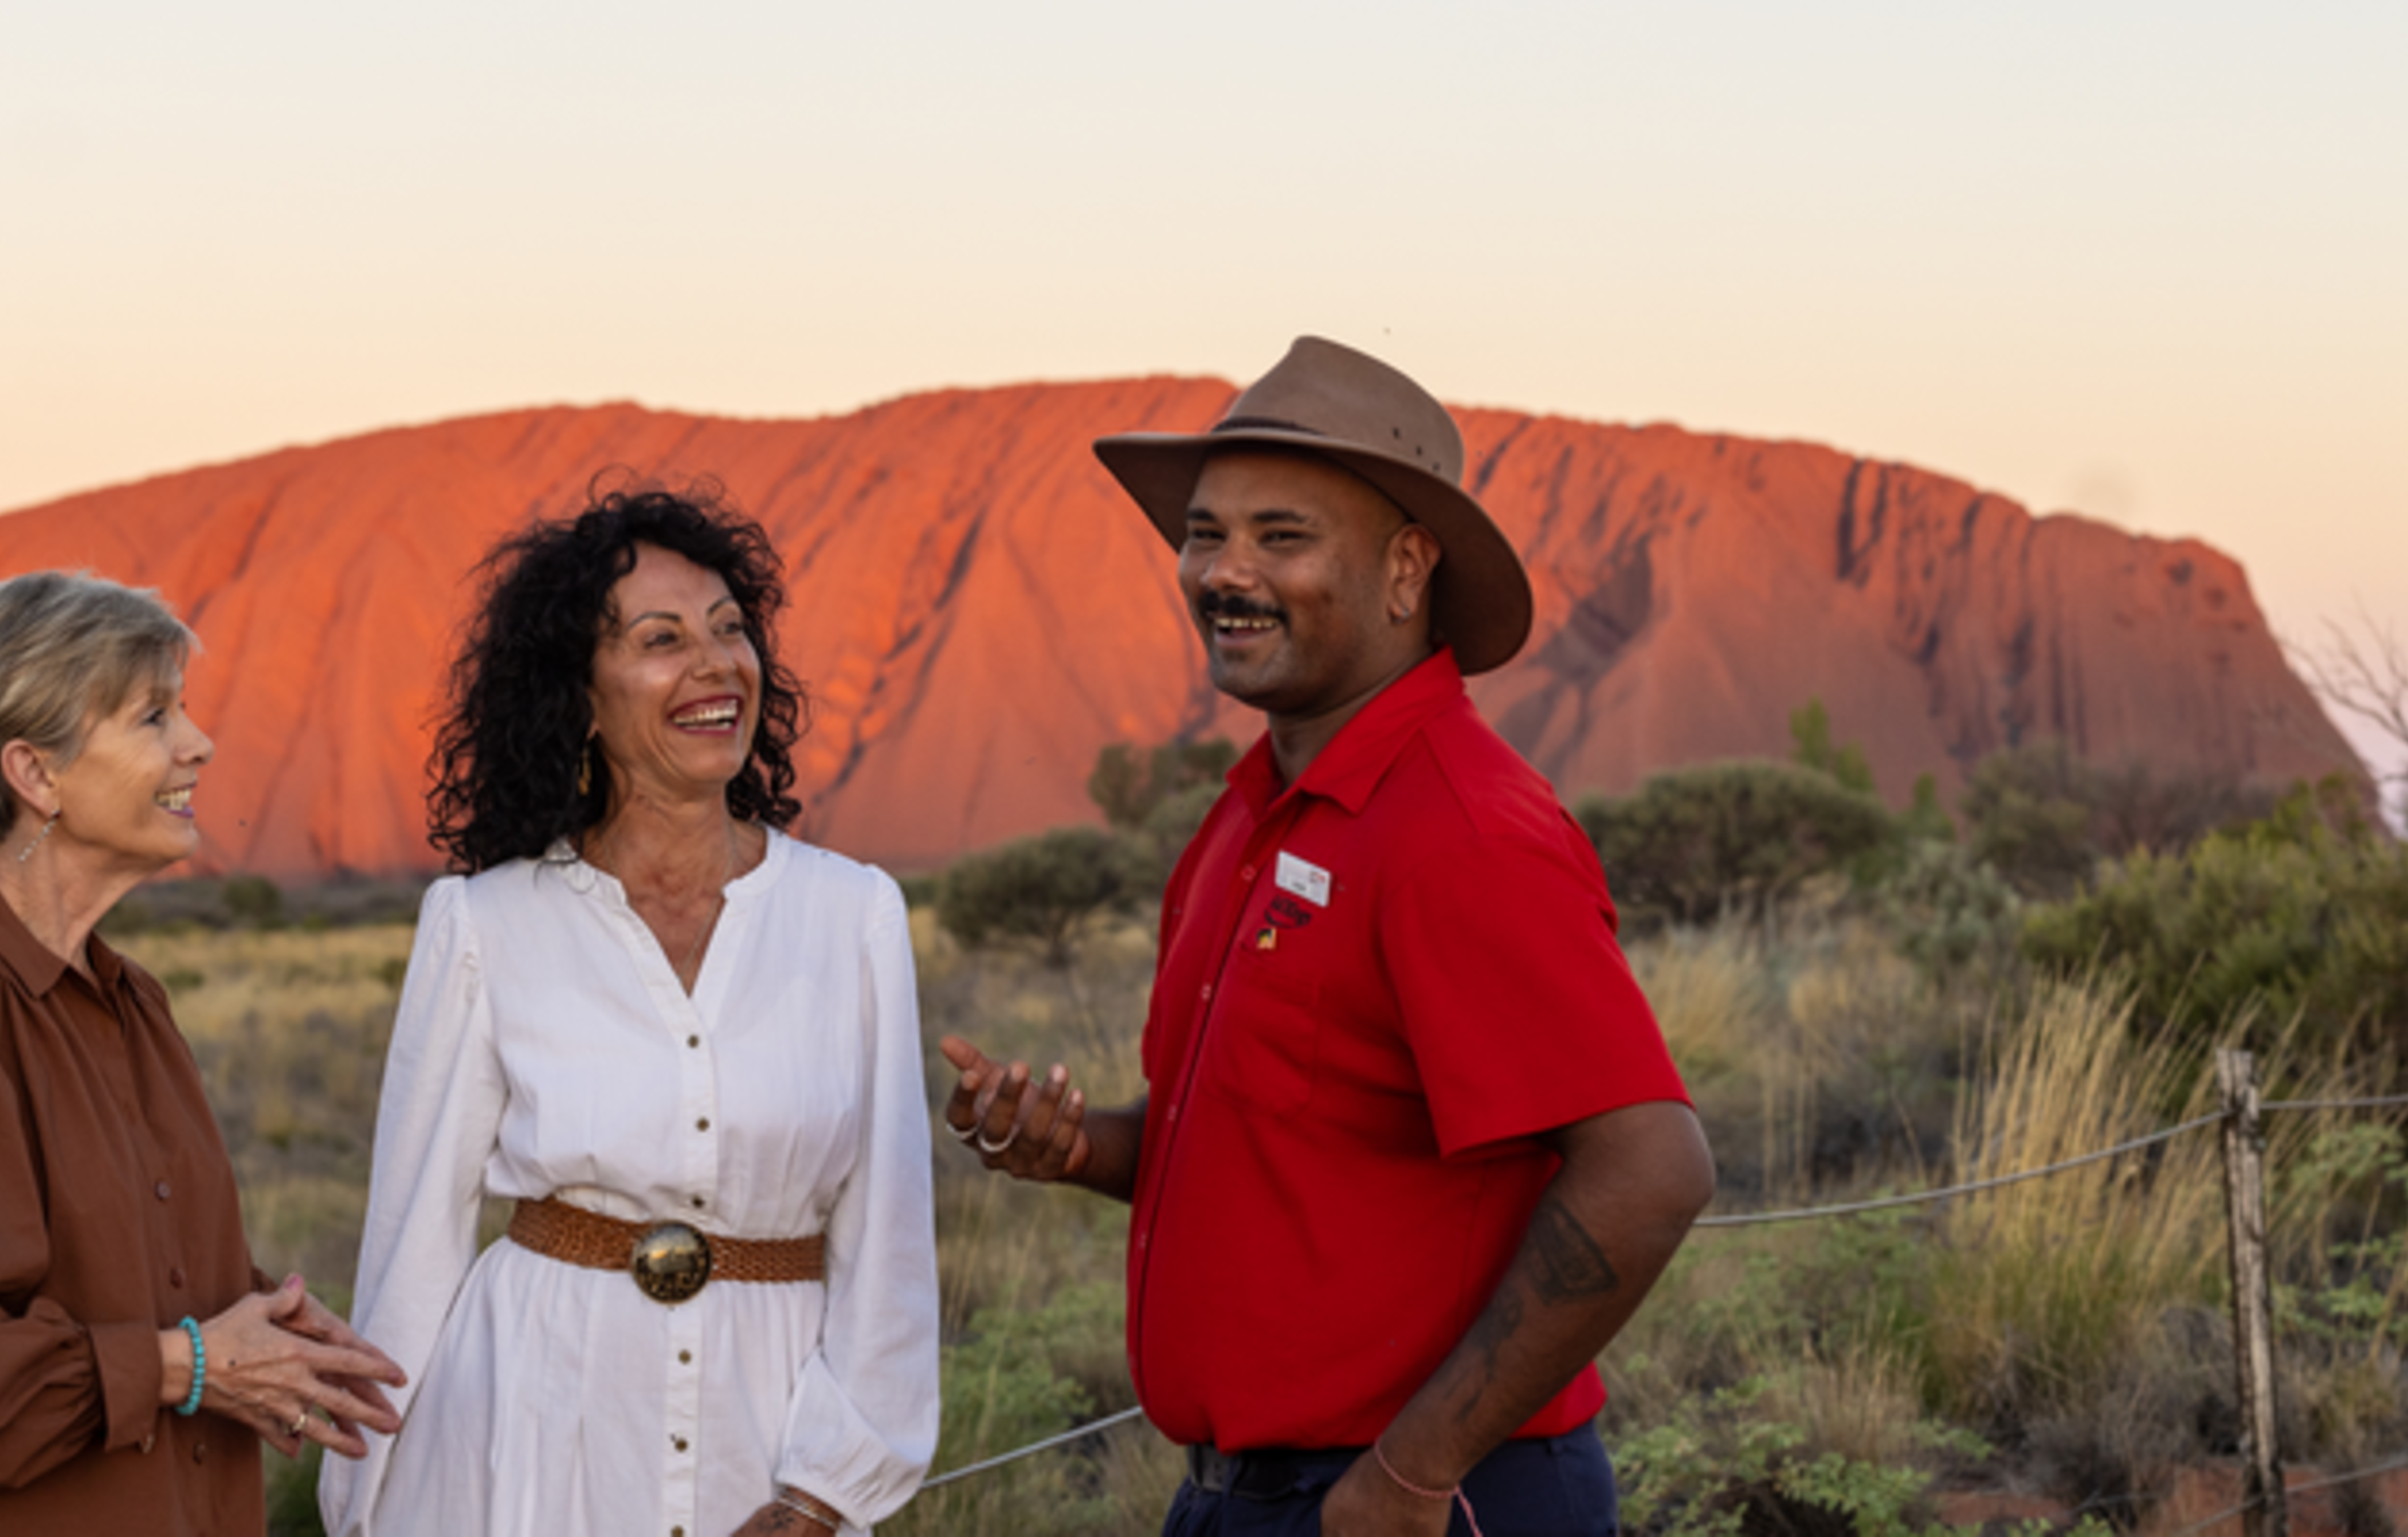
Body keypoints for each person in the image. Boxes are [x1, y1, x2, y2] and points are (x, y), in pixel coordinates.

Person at [943, 337, 1716, 1537]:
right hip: (1248, 1496)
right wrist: (1079, 1148)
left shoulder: (1459, 833)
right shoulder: (1250, 818)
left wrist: (1413, 1472)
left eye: (1281, 537)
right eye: (1206, 533)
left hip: (1424, 1502)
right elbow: (1282, 1143)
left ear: (1408, 570)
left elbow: (1653, 1168)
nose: (1226, 572)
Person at [324, 484, 937, 1537]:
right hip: (527, 1424)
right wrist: (361, 1495)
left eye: (730, 630)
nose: (713, 666)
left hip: (770, 1436)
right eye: (662, 640)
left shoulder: (855, 916)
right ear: (582, 697)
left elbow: (890, 1250)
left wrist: (824, 1496)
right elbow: (413, 1239)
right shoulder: (484, 922)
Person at [0, 571, 408, 1537]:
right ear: (36, 774)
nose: (200, 743)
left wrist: (269, 1328)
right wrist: (195, 1364)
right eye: (154, 717)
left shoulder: (131, 1003)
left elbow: (141, 1286)